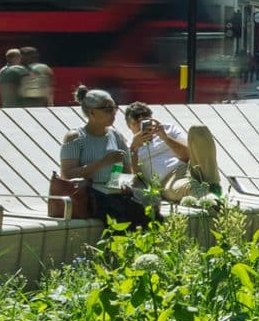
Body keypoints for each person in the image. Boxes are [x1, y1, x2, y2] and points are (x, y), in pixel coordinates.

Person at [60, 89, 147, 228]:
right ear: (91, 112)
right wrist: (103, 162)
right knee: (117, 213)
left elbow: (125, 168)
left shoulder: (116, 136)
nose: (113, 113)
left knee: (146, 208)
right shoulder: (75, 137)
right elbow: (67, 175)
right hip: (88, 194)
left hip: (112, 191)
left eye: (114, 108)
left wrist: (122, 183)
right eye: (107, 109)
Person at [122, 103, 221, 204]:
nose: (141, 125)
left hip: (190, 166)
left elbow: (189, 154)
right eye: (137, 122)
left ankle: (214, 185)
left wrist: (165, 137)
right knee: (190, 188)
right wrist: (134, 149)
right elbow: (134, 178)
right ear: (129, 126)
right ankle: (213, 200)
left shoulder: (167, 129)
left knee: (199, 130)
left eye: (145, 121)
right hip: (169, 180)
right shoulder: (129, 147)